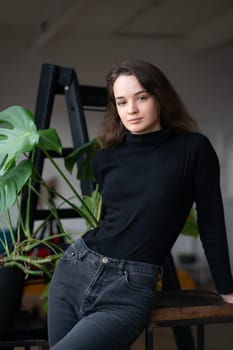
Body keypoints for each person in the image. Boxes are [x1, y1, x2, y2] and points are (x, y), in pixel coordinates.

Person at [48, 59, 233, 349]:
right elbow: (116, 220)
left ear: (160, 97)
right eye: (121, 102)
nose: (131, 110)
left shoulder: (193, 149)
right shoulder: (105, 158)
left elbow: (211, 220)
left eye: (141, 97)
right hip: (74, 270)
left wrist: (226, 287)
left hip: (128, 289)